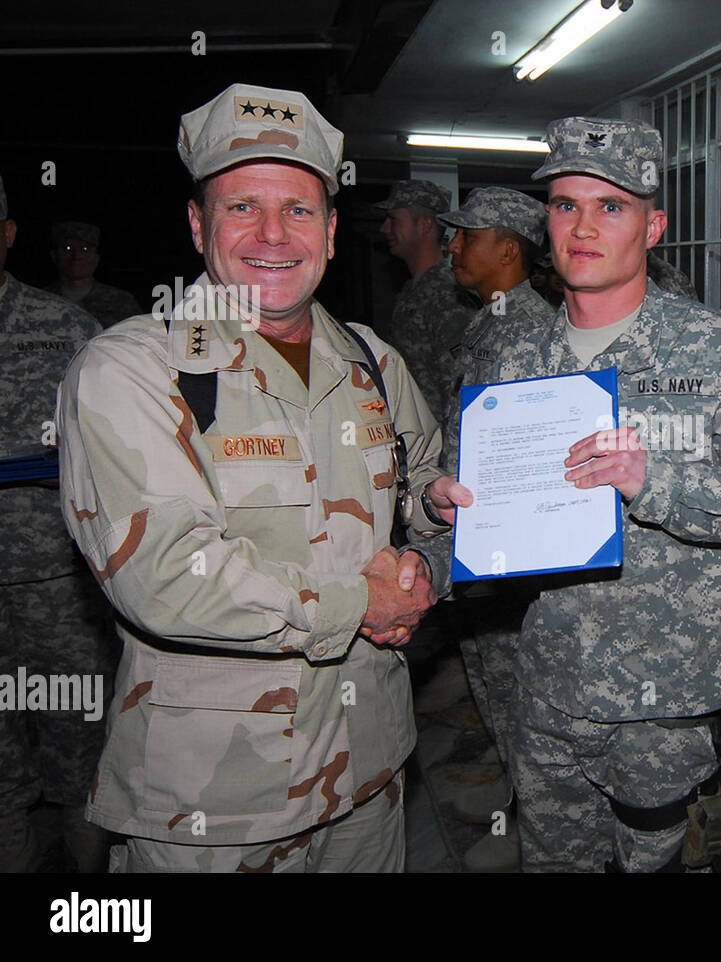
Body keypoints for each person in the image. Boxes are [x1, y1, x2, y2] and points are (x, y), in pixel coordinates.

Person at [56, 83, 449, 873]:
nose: (274, 235)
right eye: (242, 209)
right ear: (199, 225)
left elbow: (426, 491)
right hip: (217, 801)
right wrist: (361, 603)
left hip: (368, 772)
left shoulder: (373, 360)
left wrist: (430, 551)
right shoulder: (134, 368)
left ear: (334, 232)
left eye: (300, 210)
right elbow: (163, 573)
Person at [421, 117, 721, 872]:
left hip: (666, 702)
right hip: (546, 683)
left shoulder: (717, 349)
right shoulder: (511, 356)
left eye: (612, 207)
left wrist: (654, 482)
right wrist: (443, 517)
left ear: (654, 224)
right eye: (566, 204)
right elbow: (469, 512)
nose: (583, 226)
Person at [435, 186, 552, 872]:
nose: (454, 247)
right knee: (499, 705)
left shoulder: (532, 331)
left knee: (525, 714)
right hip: (478, 557)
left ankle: (547, 836)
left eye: (466, 235)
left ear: (507, 248)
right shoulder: (486, 323)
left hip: (514, 573)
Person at [0, 176, 114, 873]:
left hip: (56, 580)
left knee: (80, 737)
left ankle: (91, 886)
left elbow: (120, 453)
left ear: (8, 234)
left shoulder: (65, 329)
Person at [377, 180, 480, 428]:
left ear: (425, 225)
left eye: (393, 219)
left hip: (440, 443)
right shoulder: (414, 290)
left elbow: (459, 383)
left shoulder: (447, 294)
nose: (384, 228)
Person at [44, 221, 141, 327]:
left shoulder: (121, 302)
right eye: (68, 248)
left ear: (96, 258)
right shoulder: (40, 301)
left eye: (84, 250)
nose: (76, 256)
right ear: (54, 256)